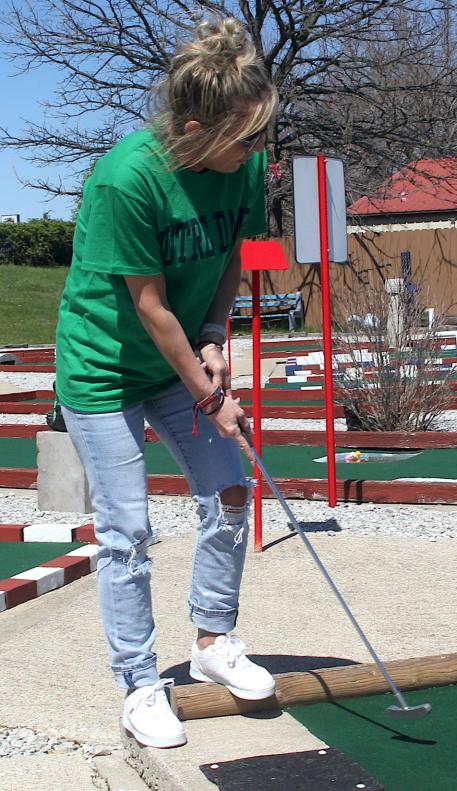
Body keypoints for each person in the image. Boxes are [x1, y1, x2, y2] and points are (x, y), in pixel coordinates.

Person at [55, 17, 278, 749]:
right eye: (246, 138)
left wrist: (216, 337)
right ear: (194, 128)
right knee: (127, 531)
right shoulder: (128, 179)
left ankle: (212, 642)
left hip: (179, 353)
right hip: (105, 368)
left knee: (229, 492)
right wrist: (211, 395)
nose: (257, 152)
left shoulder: (241, 167)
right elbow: (149, 307)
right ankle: (139, 684)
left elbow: (230, 259)